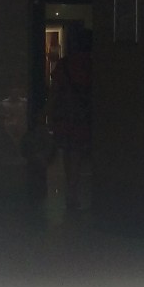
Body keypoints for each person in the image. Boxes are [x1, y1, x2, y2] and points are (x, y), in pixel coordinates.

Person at [45, 24, 92, 212]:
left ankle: (71, 188)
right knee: (78, 153)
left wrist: (47, 113)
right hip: (84, 114)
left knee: (68, 151)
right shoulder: (91, 64)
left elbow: (54, 92)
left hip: (65, 114)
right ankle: (74, 187)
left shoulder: (64, 65)